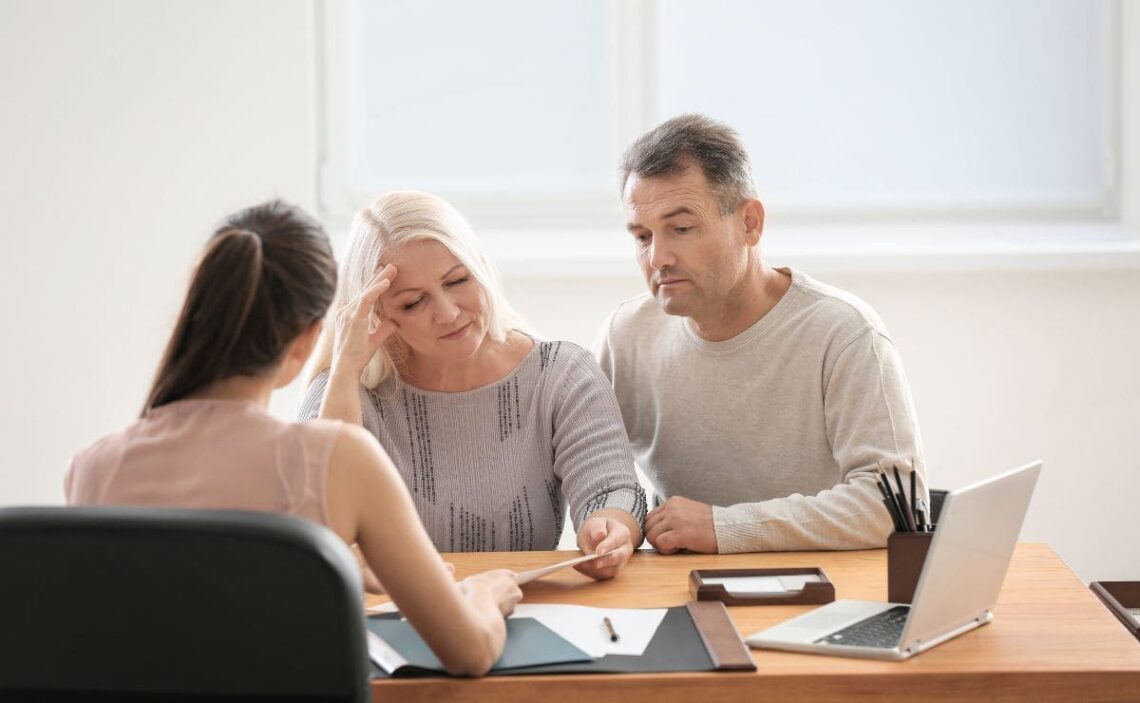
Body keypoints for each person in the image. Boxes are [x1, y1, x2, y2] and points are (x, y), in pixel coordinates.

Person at [66, 200, 520, 676]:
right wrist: (483, 594)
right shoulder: (337, 459)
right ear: (305, 340)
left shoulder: (93, 469)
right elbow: (470, 653)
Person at [595, 114, 927, 554]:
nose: (657, 258)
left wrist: (725, 528)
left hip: (819, 595)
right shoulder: (626, 335)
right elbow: (595, 472)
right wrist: (613, 523)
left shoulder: (844, 332)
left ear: (750, 223)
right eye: (641, 235)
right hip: (685, 591)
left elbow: (894, 509)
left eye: (681, 228)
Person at [298, 190, 645, 579]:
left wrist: (609, 528)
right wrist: (345, 367)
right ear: (376, 313)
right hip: (396, 619)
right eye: (413, 303)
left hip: (528, 612)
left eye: (457, 280)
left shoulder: (561, 374)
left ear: (480, 266)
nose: (447, 314)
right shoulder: (345, 391)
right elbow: (318, 525)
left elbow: (613, 489)